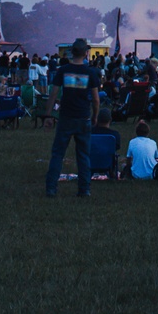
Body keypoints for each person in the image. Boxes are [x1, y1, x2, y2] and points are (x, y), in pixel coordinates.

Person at [45, 38, 101, 199]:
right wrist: (95, 116)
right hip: (83, 117)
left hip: (66, 117)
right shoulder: (90, 72)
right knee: (83, 155)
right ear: (85, 53)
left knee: (58, 154)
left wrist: (48, 115)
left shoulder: (63, 70)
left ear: (72, 52)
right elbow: (96, 99)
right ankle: (84, 190)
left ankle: (51, 188)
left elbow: (53, 93)